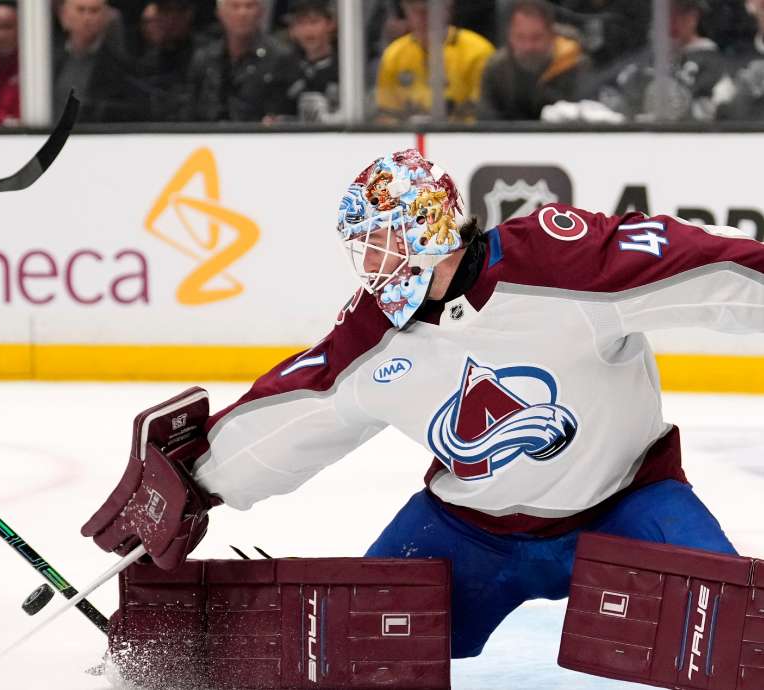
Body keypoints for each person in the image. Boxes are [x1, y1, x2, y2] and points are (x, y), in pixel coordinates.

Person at [84, 147, 764, 667]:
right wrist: (198, 482)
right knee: (353, 654)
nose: (373, 265)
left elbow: (706, 271)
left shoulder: (562, 263)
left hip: (629, 502)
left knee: (738, 641)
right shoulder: (373, 332)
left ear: (431, 228)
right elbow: (300, 409)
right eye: (364, 248)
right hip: (471, 533)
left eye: (382, 240)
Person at [598, 0, 730, 122]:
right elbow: (608, 92)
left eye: (678, 14)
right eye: (666, 14)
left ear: (693, 17)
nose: (670, 21)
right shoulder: (643, 59)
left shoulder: (711, 62)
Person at [375, 0, 494, 123]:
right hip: (408, 138)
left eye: (430, 11)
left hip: (462, 138)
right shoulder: (394, 55)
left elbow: (480, 115)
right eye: (417, 11)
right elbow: (387, 115)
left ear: (447, 10)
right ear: (406, 12)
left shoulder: (478, 51)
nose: (424, 18)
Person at [184, 0, 302, 123]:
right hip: (209, 137)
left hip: (260, 137)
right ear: (219, 13)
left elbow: (292, 113)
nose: (242, 13)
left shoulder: (281, 58)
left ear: (261, 12)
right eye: (235, 6)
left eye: (249, 6)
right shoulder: (204, 59)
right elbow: (190, 110)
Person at [478, 0, 590, 121]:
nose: (528, 47)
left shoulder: (576, 63)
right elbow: (487, 123)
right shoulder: (495, 70)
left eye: (536, 37)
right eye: (520, 37)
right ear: (509, 36)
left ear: (552, 35)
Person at [54, 0, 144, 123]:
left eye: (94, 11)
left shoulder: (121, 70)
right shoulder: (47, 63)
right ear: (64, 16)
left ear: (106, 17)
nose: (87, 18)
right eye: (81, 10)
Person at [136, 0, 197, 121]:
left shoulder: (203, 57)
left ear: (189, 14)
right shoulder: (147, 60)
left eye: (179, 11)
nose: (172, 18)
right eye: (165, 11)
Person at [286, 0, 339, 122]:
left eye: (314, 22)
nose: (308, 30)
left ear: (330, 24)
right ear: (292, 30)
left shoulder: (346, 68)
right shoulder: (284, 68)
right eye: (300, 23)